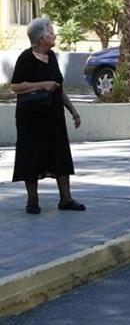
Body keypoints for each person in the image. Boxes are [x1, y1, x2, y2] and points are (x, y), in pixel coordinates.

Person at [10, 17, 85, 214]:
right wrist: (42, 85)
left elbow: (59, 87)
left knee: (60, 154)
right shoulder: (26, 58)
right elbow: (16, 86)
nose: (54, 35)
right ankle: (32, 201)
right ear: (41, 38)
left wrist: (73, 111)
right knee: (30, 155)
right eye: (51, 32)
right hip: (31, 118)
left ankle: (66, 199)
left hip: (54, 116)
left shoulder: (51, 57)